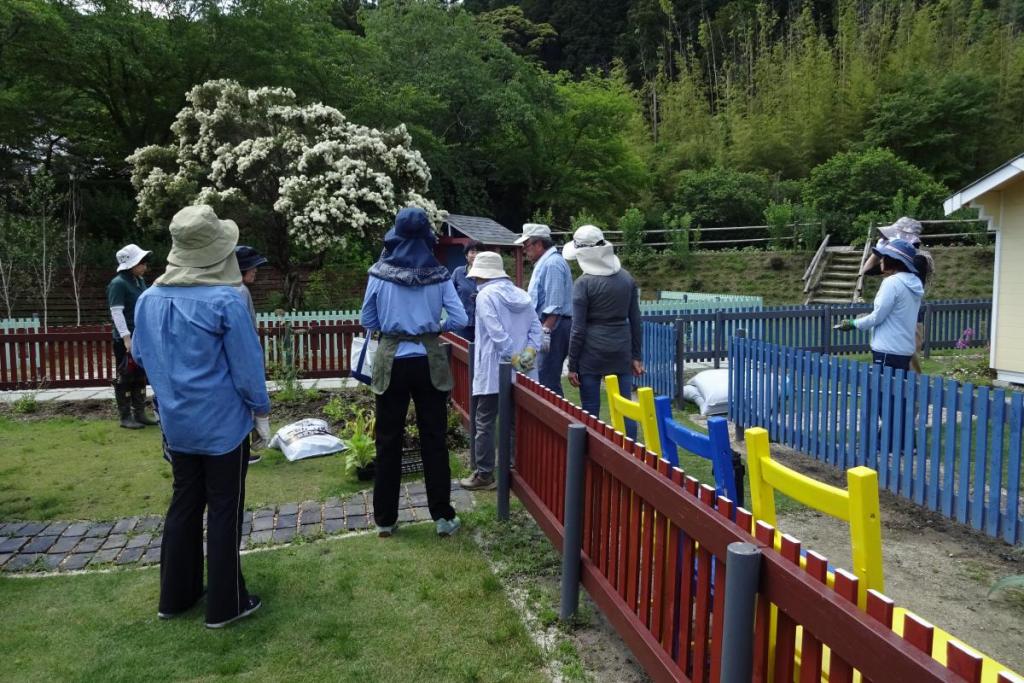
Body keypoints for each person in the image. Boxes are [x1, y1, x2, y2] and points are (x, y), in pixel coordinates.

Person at [132, 205, 271, 629]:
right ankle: (226, 603)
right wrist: (261, 412)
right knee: (226, 507)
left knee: (184, 503)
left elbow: (139, 354)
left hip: (177, 421)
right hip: (222, 424)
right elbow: (248, 368)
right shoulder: (227, 300)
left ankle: (176, 596)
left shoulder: (148, 298)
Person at [360, 206, 467, 538]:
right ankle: (442, 517)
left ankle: (385, 520)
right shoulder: (439, 275)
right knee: (434, 438)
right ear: (426, 237)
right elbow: (461, 319)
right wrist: (433, 329)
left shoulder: (379, 274)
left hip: (391, 358)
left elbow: (367, 319)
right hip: (428, 359)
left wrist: (393, 328)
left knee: (388, 440)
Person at [458, 251, 542, 490]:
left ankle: (485, 474)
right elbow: (536, 330)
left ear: (481, 275)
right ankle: (514, 467)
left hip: (494, 369)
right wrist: (525, 357)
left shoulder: (485, 296)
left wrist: (511, 358)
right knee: (516, 420)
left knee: (484, 421)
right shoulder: (521, 295)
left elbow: (496, 335)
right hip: (522, 371)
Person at [838, 238, 923, 454]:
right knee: (899, 399)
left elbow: (878, 317)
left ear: (892, 260)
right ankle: (906, 445)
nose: (880, 261)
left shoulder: (892, 284)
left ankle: (889, 444)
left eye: (883, 257)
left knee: (884, 401)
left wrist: (853, 323)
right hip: (903, 349)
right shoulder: (913, 283)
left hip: (886, 350)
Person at [563, 226, 644, 438]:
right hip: (621, 348)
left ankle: (593, 453)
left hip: (592, 353)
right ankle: (631, 453)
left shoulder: (584, 284)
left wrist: (572, 365)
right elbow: (636, 319)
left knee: (590, 409)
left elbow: (578, 329)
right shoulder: (626, 278)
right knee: (626, 405)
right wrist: (636, 356)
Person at [858, 217, 934, 372]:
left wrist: (890, 252)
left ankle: (915, 395)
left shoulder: (918, 259)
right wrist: (878, 252)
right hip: (894, 322)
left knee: (910, 368)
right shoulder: (896, 261)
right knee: (898, 373)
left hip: (908, 322)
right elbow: (866, 270)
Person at [515, 223, 573, 396]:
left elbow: (554, 303)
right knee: (538, 374)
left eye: (526, 245)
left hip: (554, 326)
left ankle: (556, 421)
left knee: (546, 379)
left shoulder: (552, 264)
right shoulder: (546, 262)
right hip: (549, 325)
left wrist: (545, 331)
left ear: (538, 244)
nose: (525, 250)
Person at [108, 243, 158, 429]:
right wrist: (126, 338)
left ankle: (140, 413)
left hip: (141, 336)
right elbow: (116, 312)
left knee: (139, 375)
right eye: (142, 262)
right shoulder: (118, 284)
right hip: (125, 339)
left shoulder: (139, 281)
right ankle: (125, 416)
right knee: (125, 376)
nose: (145, 266)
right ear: (131, 264)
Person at [451, 240, 483, 341]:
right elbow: (449, 295)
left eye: (479, 252)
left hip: (483, 324)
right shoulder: (458, 272)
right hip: (462, 324)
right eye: (472, 252)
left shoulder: (490, 275)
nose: (476, 255)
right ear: (466, 255)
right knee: (462, 353)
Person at [234, 245, 269, 328]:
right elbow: (242, 326)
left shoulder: (228, 288)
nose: (255, 270)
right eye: (252, 267)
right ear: (242, 269)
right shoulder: (240, 290)